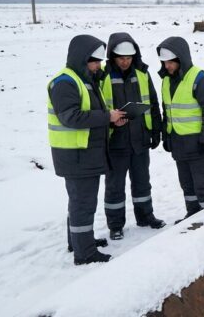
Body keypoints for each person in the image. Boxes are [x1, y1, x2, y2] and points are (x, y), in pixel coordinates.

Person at [47, 35, 126, 265]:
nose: (99, 66)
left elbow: (91, 115)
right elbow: (71, 117)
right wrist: (107, 116)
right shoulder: (65, 82)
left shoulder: (86, 80)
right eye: (95, 61)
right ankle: (85, 253)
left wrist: (112, 122)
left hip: (85, 154)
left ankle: (80, 241)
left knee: (80, 202)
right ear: (82, 59)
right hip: (76, 155)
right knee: (83, 204)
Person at [100, 33, 166, 240]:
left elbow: (152, 103)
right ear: (113, 56)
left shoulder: (142, 74)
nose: (125, 62)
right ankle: (115, 225)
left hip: (140, 139)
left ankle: (145, 216)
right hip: (115, 141)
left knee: (142, 182)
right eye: (121, 58)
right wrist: (110, 121)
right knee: (115, 186)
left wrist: (156, 131)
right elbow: (97, 109)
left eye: (128, 58)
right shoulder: (102, 76)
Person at [156, 37, 204, 221]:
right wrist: (166, 136)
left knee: (203, 185)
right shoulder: (166, 81)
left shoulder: (200, 79)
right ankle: (192, 216)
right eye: (164, 62)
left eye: (170, 62)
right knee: (187, 185)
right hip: (178, 143)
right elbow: (167, 111)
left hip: (198, 144)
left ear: (181, 58)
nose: (167, 66)